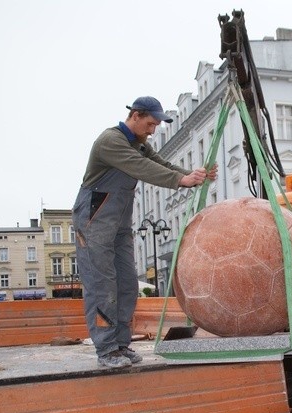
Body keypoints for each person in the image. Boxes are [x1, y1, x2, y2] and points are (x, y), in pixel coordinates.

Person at [73, 96, 217, 368]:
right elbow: (142, 168)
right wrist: (180, 180)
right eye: (150, 124)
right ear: (136, 116)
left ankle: (120, 345)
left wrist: (194, 175)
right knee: (102, 285)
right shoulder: (111, 141)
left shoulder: (139, 144)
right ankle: (106, 350)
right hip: (93, 221)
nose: (153, 131)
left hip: (118, 225)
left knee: (127, 284)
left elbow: (163, 164)